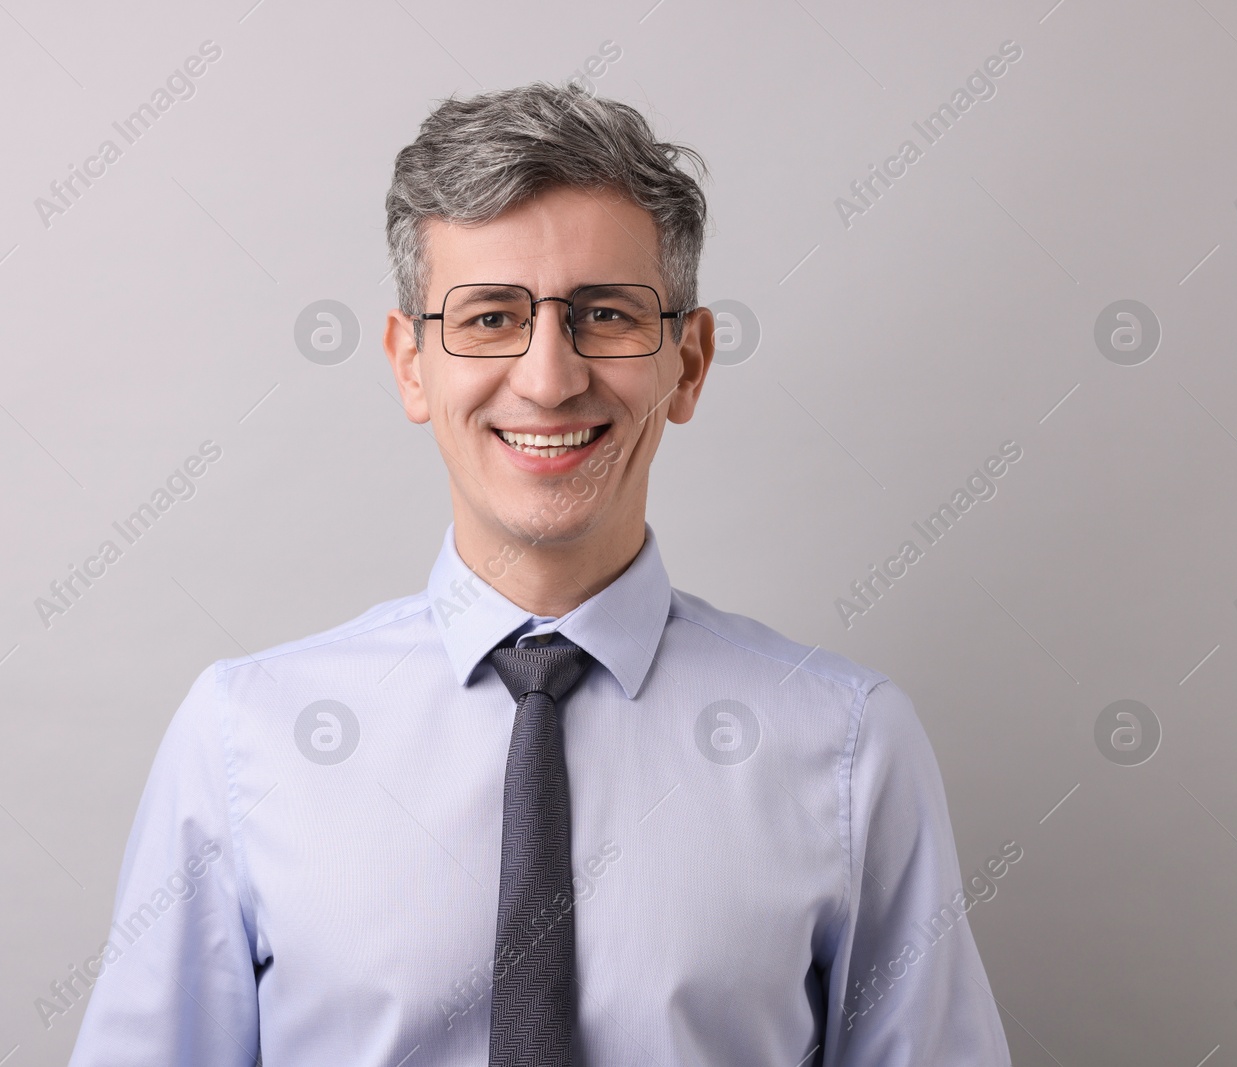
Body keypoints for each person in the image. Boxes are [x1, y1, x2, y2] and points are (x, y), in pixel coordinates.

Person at [68, 82, 1011, 1066]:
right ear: (410, 363)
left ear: (687, 363)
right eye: (487, 318)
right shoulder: (242, 738)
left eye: (604, 314)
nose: (550, 376)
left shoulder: (849, 746)